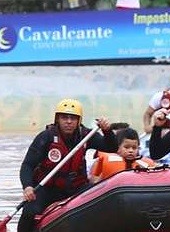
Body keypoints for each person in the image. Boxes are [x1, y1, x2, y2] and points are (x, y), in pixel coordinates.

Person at [17, 99, 117, 232]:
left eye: (73, 118)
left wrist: (107, 131)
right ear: (57, 119)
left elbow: (112, 147)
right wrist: (28, 186)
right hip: (47, 188)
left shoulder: (86, 136)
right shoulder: (46, 137)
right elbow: (28, 165)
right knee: (30, 212)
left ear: (79, 121)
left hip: (76, 187)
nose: (68, 122)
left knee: (100, 202)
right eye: (64, 118)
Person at [89, 127, 157, 184]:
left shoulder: (147, 164)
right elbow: (93, 180)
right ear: (117, 147)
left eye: (134, 148)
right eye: (126, 147)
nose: (131, 151)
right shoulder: (103, 160)